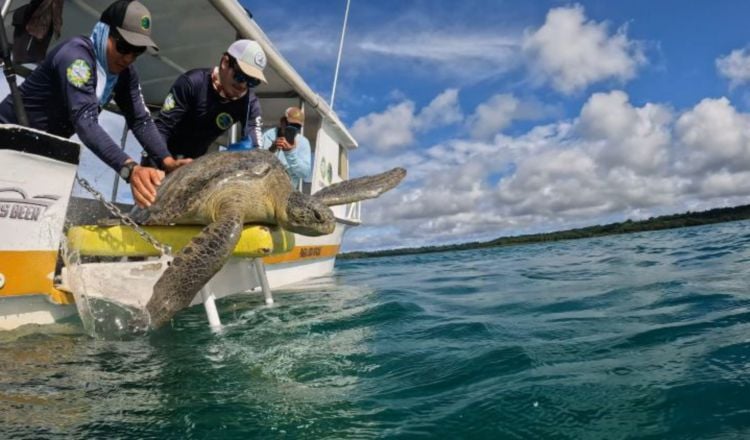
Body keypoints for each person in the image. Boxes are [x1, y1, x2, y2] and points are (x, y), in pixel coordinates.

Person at [0, 0, 190, 207]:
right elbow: (85, 122)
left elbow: (140, 120)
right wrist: (129, 169)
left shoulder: (124, 74)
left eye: (137, 52)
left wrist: (167, 161)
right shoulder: (76, 56)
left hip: (40, 149)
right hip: (6, 137)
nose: (128, 58)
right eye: (124, 46)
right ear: (103, 30)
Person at [147, 39, 267, 165]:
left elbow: (256, 149)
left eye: (252, 81)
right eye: (241, 76)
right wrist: (166, 161)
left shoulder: (250, 104)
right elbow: (162, 127)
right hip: (161, 156)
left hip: (192, 165)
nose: (243, 85)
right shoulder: (193, 82)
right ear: (225, 62)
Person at [259, 107, 312, 189]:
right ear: (282, 121)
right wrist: (272, 149)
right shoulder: (267, 135)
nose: (293, 129)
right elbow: (257, 163)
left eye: (297, 126)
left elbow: (304, 173)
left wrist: (290, 152)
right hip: (265, 187)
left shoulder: (304, 142)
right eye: (290, 125)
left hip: (288, 191)